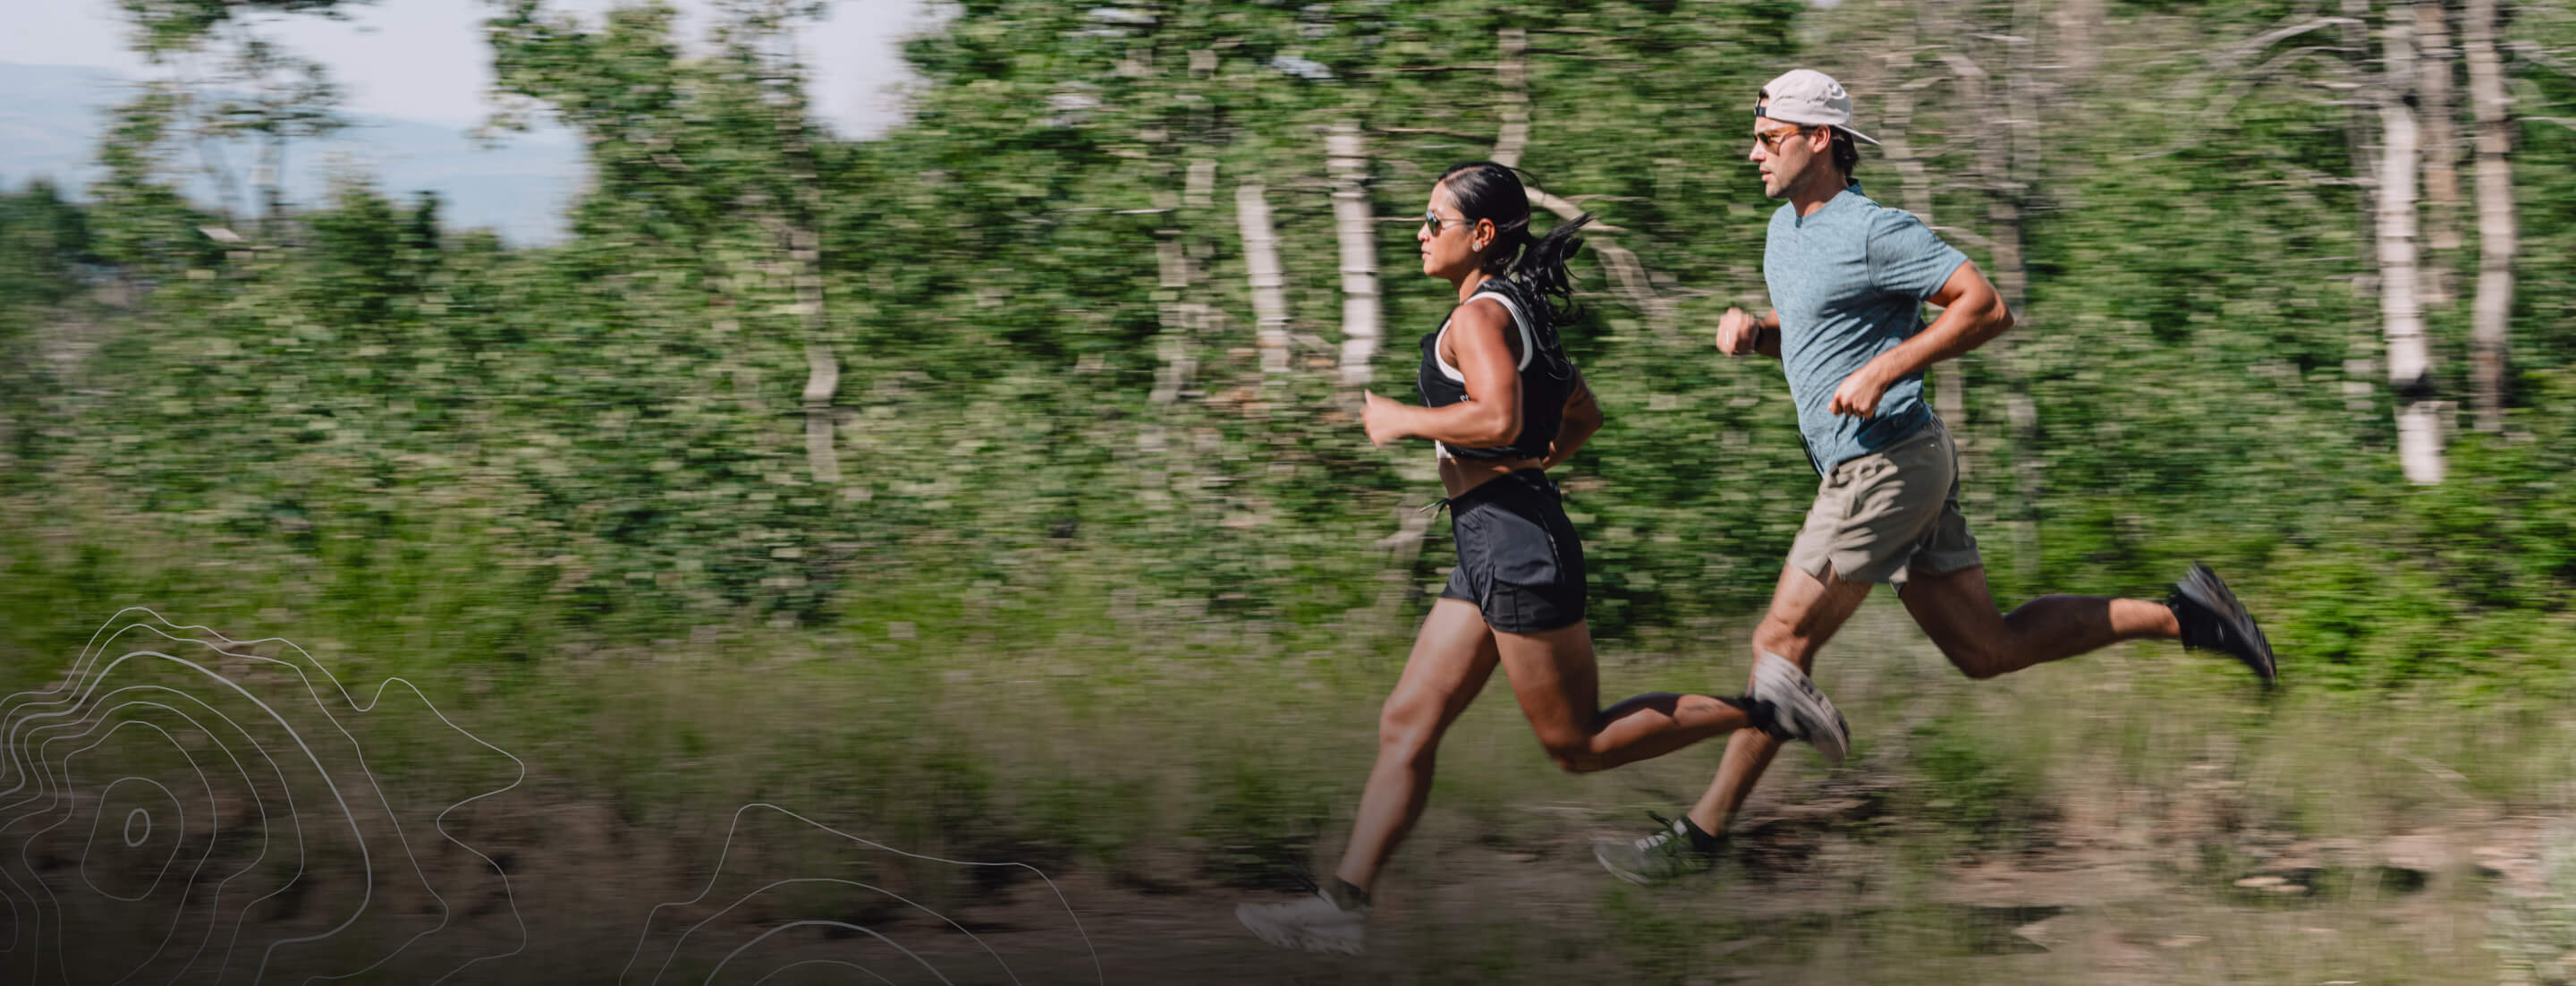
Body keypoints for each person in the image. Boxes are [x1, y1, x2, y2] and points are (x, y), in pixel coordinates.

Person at [1590, 69, 2278, 887]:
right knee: (1988, 649)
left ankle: (1698, 843)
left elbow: (1983, 307)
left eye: (1768, 138)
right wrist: (1761, 335)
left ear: (1820, 140)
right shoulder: (1785, 232)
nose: (1753, 154)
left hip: (1882, 462)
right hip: (1891, 461)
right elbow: (1823, 332)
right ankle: (2191, 616)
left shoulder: (1875, 227)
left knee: (1780, 647)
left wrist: (1888, 369)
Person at [1234, 162, 1853, 955]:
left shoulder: (1480, 319)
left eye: (1434, 222)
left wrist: (1403, 420)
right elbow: (1580, 414)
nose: (1420, 235)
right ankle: (1344, 907)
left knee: (1577, 745)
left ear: (1480, 235)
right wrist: (1522, 466)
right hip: (1494, 539)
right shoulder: (1516, 307)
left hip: (1515, 549)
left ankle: (1768, 711)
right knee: (1408, 722)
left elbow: (1496, 412)